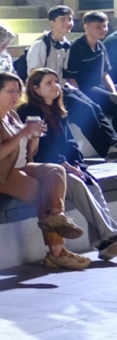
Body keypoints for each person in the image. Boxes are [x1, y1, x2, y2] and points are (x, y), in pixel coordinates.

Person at [0, 72, 90, 270]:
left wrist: (34, 137)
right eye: (10, 91)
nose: (15, 95)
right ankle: (56, 253)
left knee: (56, 171)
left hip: (19, 165)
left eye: (18, 91)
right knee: (45, 194)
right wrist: (24, 132)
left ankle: (57, 215)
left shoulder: (12, 114)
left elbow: (28, 152)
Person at [21, 68, 117, 263]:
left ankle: (106, 240)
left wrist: (77, 165)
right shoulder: (30, 112)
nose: (55, 86)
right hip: (41, 168)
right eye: (49, 83)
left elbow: (70, 144)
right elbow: (42, 150)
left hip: (64, 165)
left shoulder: (59, 111)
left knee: (93, 186)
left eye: (56, 82)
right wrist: (67, 166)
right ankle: (109, 237)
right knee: (77, 183)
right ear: (36, 89)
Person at [27, 6, 117, 159]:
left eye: (69, 20)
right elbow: (34, 74)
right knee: (84, 109)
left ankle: (113, 143)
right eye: (63, 20)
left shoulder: (67, 44)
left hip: (62, 86)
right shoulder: (41, 45)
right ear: (51, 23)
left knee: (94, 106)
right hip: (46, 89)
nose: (68, 23)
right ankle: (106, 149)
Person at [66, 10, 117, 142]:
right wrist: (79, 97)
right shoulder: (77, 47)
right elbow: (71, 77)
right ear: (86, 27)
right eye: (98, 27)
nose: (103, 30)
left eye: (104, 26)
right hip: (85, 89)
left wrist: (113, 92)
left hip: (100, 86)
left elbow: (105, 73)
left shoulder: (101, 45)